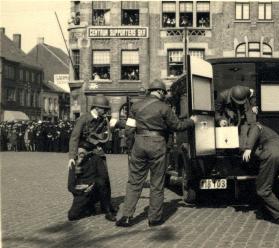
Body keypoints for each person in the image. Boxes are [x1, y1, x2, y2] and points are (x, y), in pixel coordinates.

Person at [116, 79, 195, 227]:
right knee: (157, 183)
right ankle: (154, 218)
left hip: (138, 144)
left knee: (134, 182)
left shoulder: (135, 106)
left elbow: (128, 130)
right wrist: (191, 121)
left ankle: (126, 216)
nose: (165, 95)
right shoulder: (165, 108)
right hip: (158, 144)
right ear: (160, 91)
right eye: (164, 93)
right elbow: (177, 126)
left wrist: (130, 148)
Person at [67, 94, 116, 222]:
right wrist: (72, 156)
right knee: (84, 180)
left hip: (97, 153)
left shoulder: (103, 119)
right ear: (97, 108)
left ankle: (107, 208)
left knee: (104, 179)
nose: (105, 111)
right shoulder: (83, 119)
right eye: (104, 109)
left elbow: (113, 126)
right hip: (85, 154)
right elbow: (74, 137)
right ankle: (88, 203)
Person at [241, 122, 279, 225]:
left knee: (262, 189)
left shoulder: (254, 126)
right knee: (268, 184)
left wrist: (248, 148)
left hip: (272, 154)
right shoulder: (268, 130)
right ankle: (267, 212)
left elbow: (255, 129)